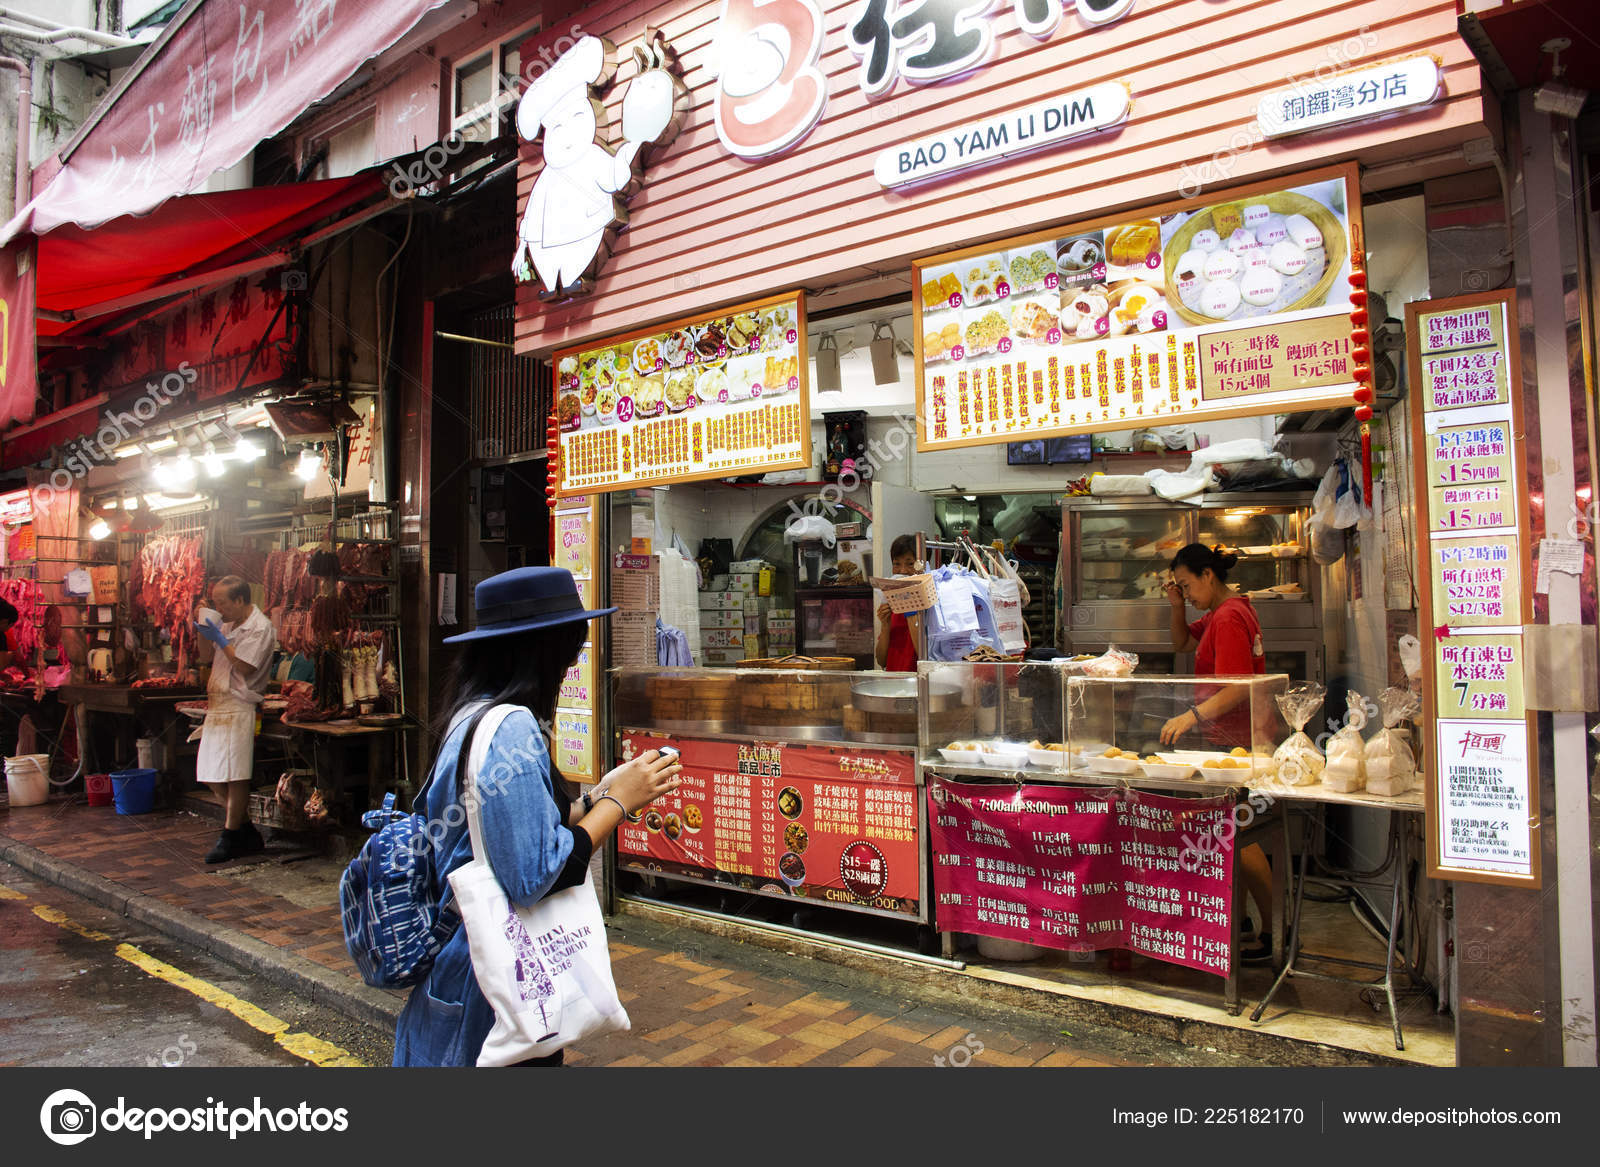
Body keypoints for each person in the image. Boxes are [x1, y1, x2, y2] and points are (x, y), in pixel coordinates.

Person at [393, 566, 681, 1067]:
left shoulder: (470, 714)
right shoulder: (512, 727)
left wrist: (596, 795)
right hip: (493, 983)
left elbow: (505, 827)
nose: (572, 666)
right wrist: (619, 804)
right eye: (571, 651)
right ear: (545, 651)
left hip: (463, 970)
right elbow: (536, 875)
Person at [1158, 543, 1274, 964]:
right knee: (1232, 833)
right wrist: (1176, 605)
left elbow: (1238, 685)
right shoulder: (1222, 612)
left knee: (1241, 836)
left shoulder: (1227, 618)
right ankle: (1240, 923)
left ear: (1209, 575)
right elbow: (1180, 645)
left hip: (1237, 740)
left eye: (1188, 584)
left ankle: (1274, 930)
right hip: (1227, 736)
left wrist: (1190, 716)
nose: (1186, 592)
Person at [194, 576, 277, 864]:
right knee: (210, 773)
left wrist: (221, 640)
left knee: (235, 773)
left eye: (222, 603)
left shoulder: (260, 627)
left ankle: (229, 836)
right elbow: (205, 657)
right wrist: (204, 632)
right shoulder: (226, 624)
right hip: (217, 703)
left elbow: (243, 664)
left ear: (240, 600)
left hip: (241, 704)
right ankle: (246, 831)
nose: (219, 608)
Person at [875, 534, 922, 671]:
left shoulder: (931, 604)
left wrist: (911, 609)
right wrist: (885, 624)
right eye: (897, 564)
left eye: (910, 564)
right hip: (893, 686)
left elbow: (926, 659)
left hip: (920, 685)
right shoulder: (891, 605)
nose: (903, 571)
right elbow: (881, 660)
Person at [0, 597, 18, 670]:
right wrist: (12, 655)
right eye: (10, 626)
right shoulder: (1, 636)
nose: (8, 629)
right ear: (4, 621)